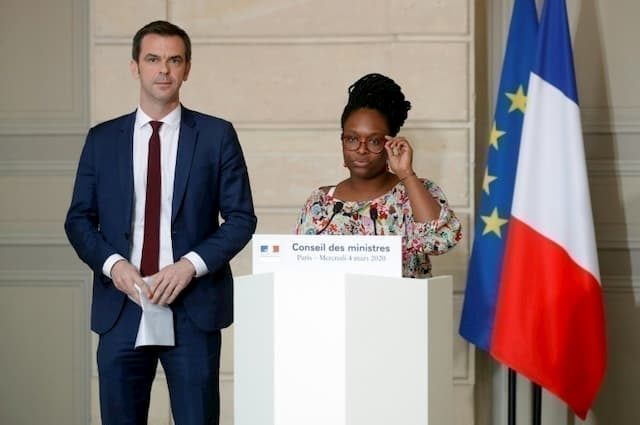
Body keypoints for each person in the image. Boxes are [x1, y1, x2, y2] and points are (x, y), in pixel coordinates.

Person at [64, 20, 256, 425]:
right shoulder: (102, 139)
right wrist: (114, 265)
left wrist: (190, 265)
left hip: (194, 308)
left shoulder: (216, 136)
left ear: (187, 68)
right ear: (135, 65)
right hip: (121, 308)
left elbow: (241, 218)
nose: (163, 70)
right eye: (153, 59)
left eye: (174, 60)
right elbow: (78, 219)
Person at [295, 73, 461, 277]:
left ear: (390, 143)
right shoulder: (319, 203)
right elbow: (301, 270)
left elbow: (442, 241)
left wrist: (407, 174)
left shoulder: (414, 192)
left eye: (374, 141)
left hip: (402, 307)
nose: (361, 150)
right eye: (352, 139)